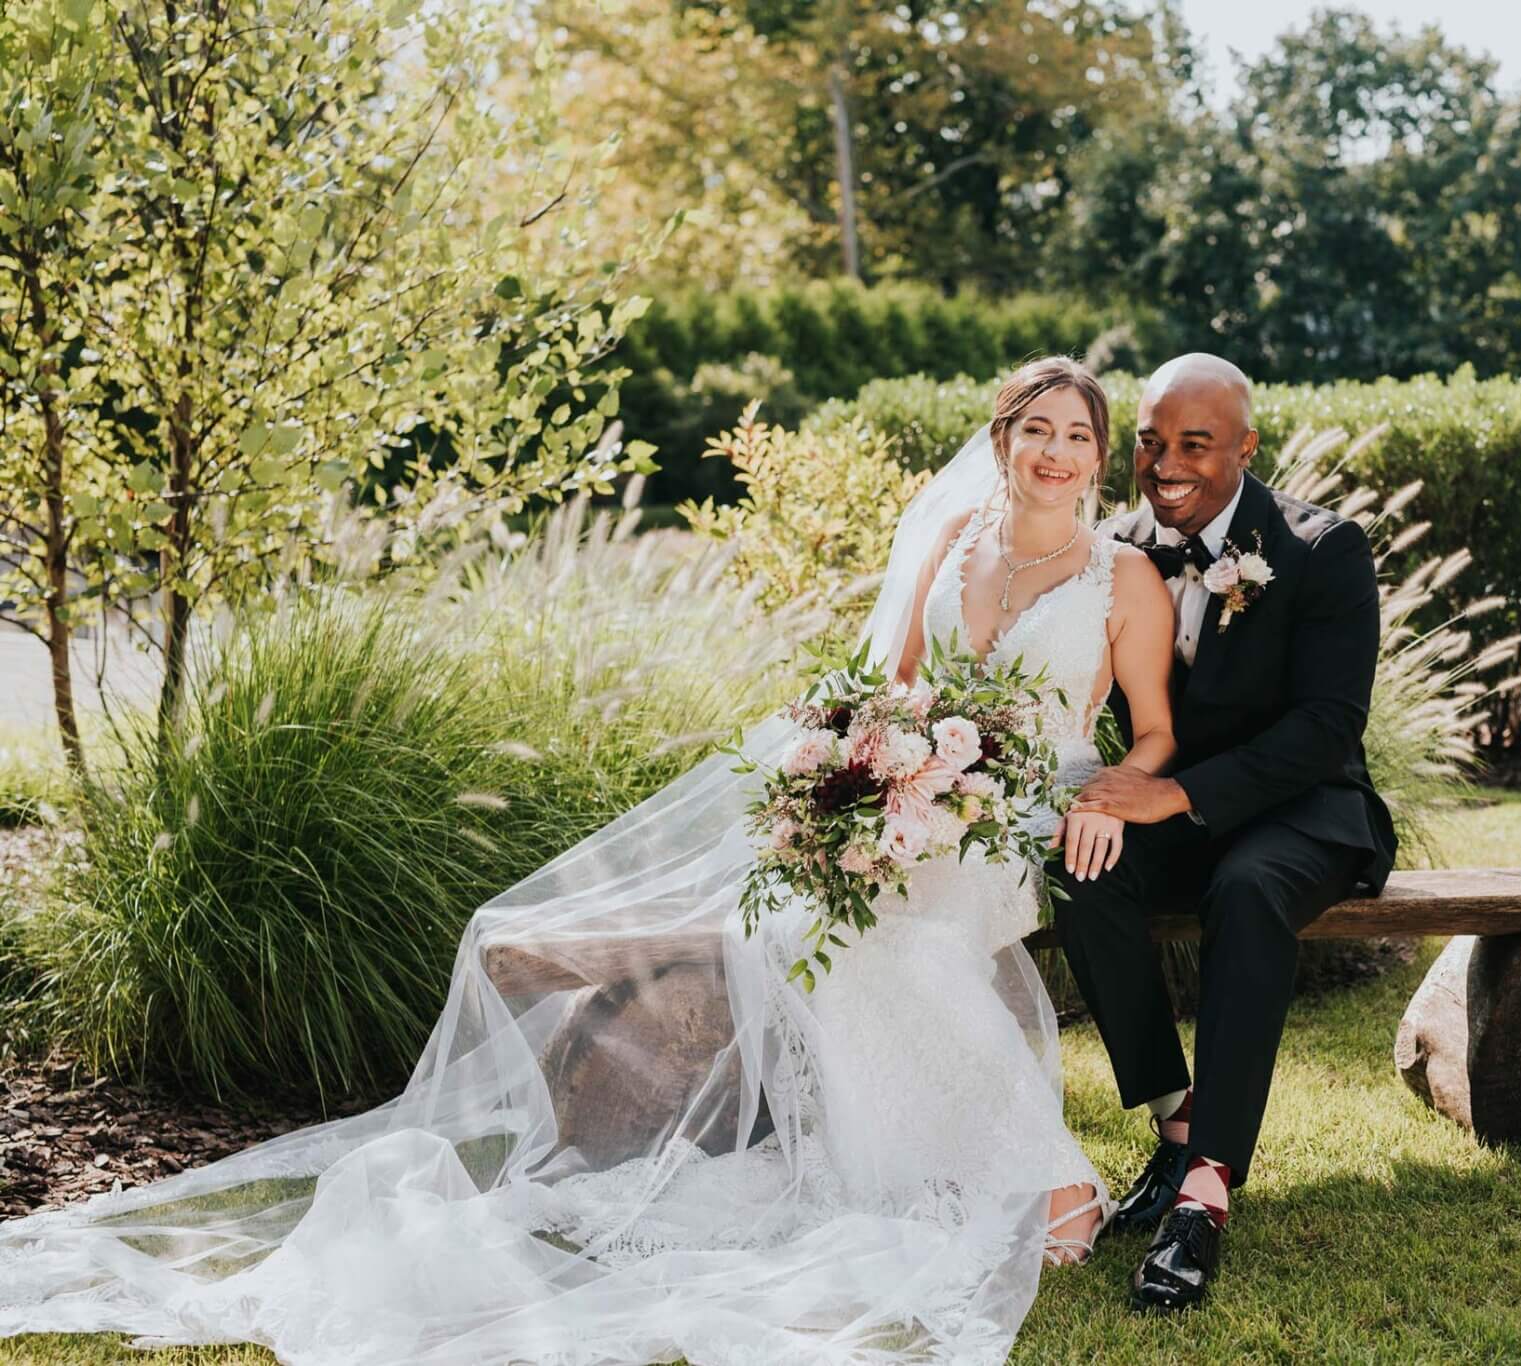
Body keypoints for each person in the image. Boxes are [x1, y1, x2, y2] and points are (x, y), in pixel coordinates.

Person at [0, 358, 1179, 1365]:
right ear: (1002, 441)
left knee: (909, 949)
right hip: (916, 794)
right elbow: (900, 689)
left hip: (1028, 809)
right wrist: (867, 775)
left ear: (1097, 459)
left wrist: (1115, 796)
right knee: (815, 937)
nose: (1057, 453)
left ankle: (1052, 1176)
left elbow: (1153, 727)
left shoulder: (1121, 576)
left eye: (1078, 438)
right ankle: (920, 1171)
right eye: (1038, 432)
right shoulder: (950, 543)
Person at [1054, 352, 1397, 1314]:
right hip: (1180, 802)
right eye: (1152, 443)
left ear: (1246, 447)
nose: (1167, 465)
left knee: (1248, 890)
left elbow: (1329, 726)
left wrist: (1180, 795)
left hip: (1308, 809)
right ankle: (1176, 1124)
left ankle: (1204, 1196)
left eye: (1194, 445)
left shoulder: (1323, 548)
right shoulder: (1116, 547)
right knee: (1083, 865)